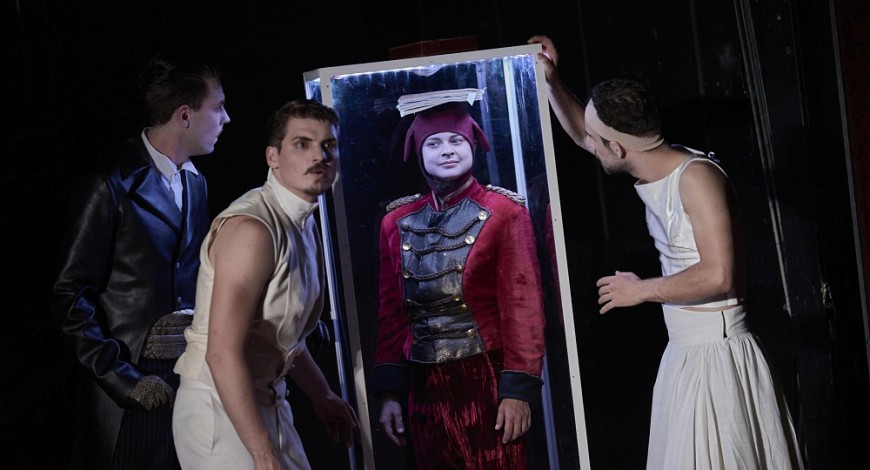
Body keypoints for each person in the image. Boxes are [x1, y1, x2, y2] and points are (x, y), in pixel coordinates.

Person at [529, 35, 804, 469]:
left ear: (618, 147)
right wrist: (552, 81)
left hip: (717, 356)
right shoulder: (645, 158)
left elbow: (719, 275)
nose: (589, 143)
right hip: (685, 351)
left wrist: (640, 290)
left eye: (598, 141)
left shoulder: (696, 178)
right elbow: (586, 134)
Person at [51, 52, 230, 469]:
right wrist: (124, 379)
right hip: (128, 390)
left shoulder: (196, 183)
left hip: (186, 385)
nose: (226, 119)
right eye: (218, 107)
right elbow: (68, 296)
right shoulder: (108, 185)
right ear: (184, 115)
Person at [172, 99, 359, 470]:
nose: (319, 156)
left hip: (267, 399)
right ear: (273, 157)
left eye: (329, 146)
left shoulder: (302, 220)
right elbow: (221, 353)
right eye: (302, 144)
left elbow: (281, 334)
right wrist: (262, 452)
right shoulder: (252, 229)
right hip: (217, 406)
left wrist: (321, 394)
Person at [373, 99, 547, 470]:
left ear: (472, 145)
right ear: (419, 153)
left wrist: (518, 390)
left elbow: (523, 308)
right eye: (434, 143)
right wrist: (390, 391)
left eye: (456, 140)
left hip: (487, 377)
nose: (447, 150)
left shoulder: (504, 212)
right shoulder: (397, 222)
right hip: (423, 387)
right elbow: (392, 314)